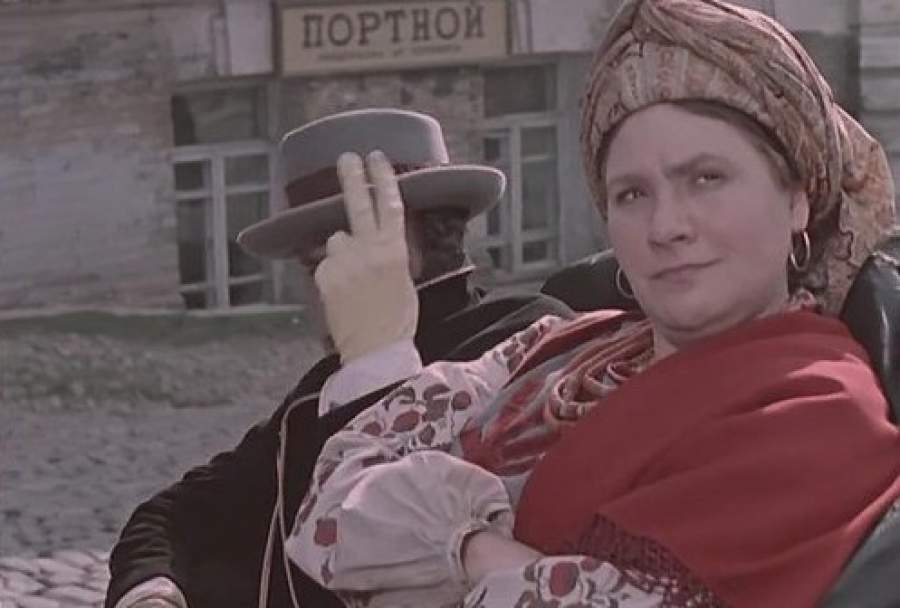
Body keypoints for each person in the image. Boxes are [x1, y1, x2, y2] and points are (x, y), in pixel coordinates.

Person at [287, 2, 900, 607]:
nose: (666, 226)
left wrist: (451, 549)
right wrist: (482, 553)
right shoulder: (556, 346)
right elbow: (329, 507)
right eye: (632, 194)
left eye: (706, 178)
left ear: (797, 198)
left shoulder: (823, 408)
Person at [103, 109, 574, 608]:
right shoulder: (315, 396)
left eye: (350, 253)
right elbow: (176, 514)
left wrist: (378, 367)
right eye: (314, 268)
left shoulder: (535, 346)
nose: (330, 284)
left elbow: (414, 532)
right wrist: (150, 593)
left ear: (430, 232)